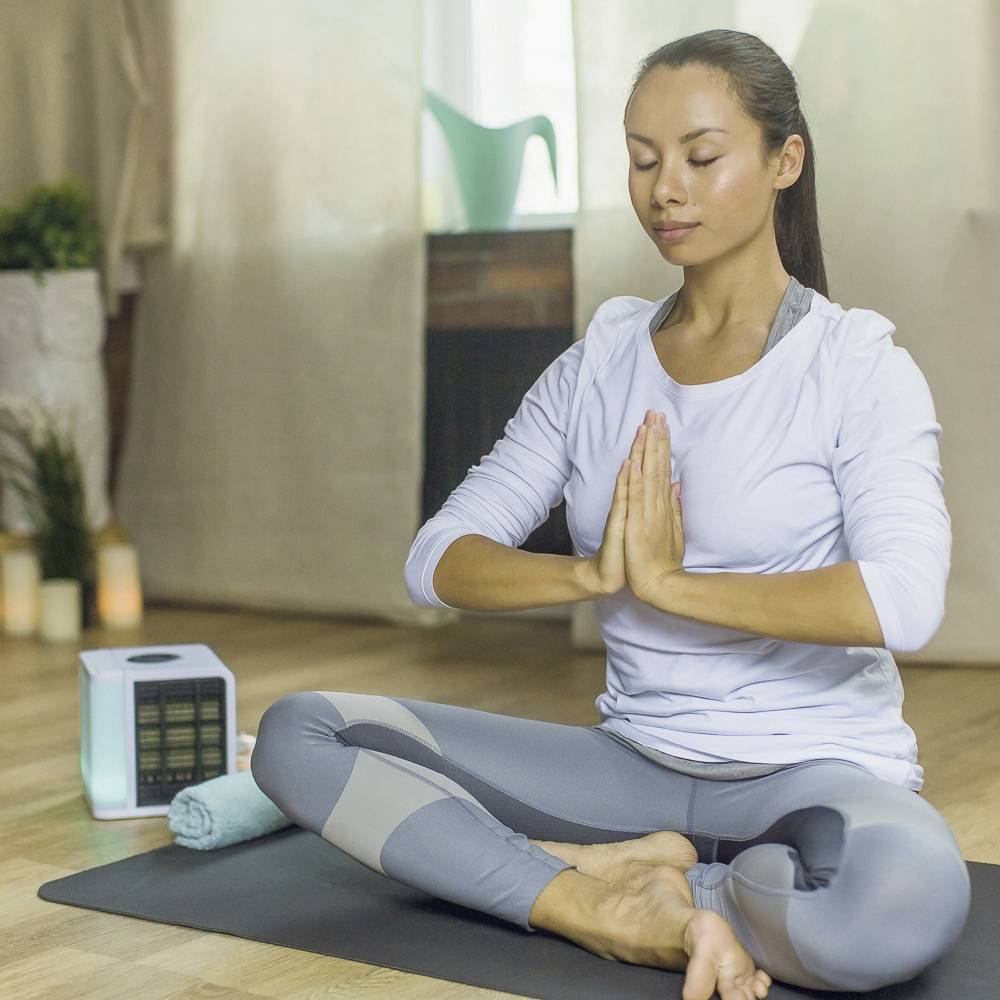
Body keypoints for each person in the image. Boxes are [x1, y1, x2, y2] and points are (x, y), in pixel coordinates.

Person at [251, 28, 970, 1000]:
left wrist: (676, 586)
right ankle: (599, 904)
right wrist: (592, 578)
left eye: (699, 157)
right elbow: (437, 559)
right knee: (299, 733)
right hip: (628, 763)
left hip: (812, 772)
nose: (663, 187)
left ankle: (649, 875)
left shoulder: (855, 366)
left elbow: (903, 601)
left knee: (899, 906)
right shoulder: (599, 364)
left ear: (782, 160)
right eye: (641, 159)